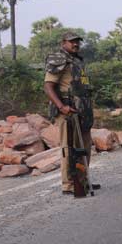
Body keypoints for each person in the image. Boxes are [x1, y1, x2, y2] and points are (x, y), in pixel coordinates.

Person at [43, 32, 99, 194]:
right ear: (63, 43)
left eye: (77, 42)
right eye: (72, 42)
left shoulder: (77, 60)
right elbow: (48, 86)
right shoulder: (58, 60)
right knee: (69, 148)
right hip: (67, 112)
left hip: (82, 111)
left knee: (85, 147)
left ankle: (82, 180)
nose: (76, 44)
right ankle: (68, 184)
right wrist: (61, 107)